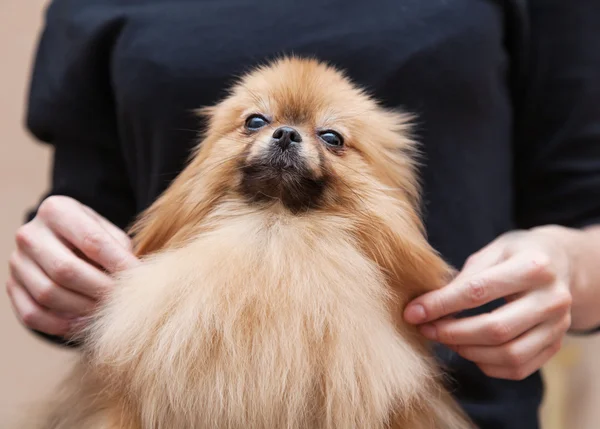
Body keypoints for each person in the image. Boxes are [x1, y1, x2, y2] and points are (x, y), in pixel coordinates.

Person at [6, 1, 600, 428]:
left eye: (333, 138)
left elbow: (586, 205)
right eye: (257, 123)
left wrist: (571, 265)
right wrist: (54, 263)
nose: (288, 138)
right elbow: (89, 210)